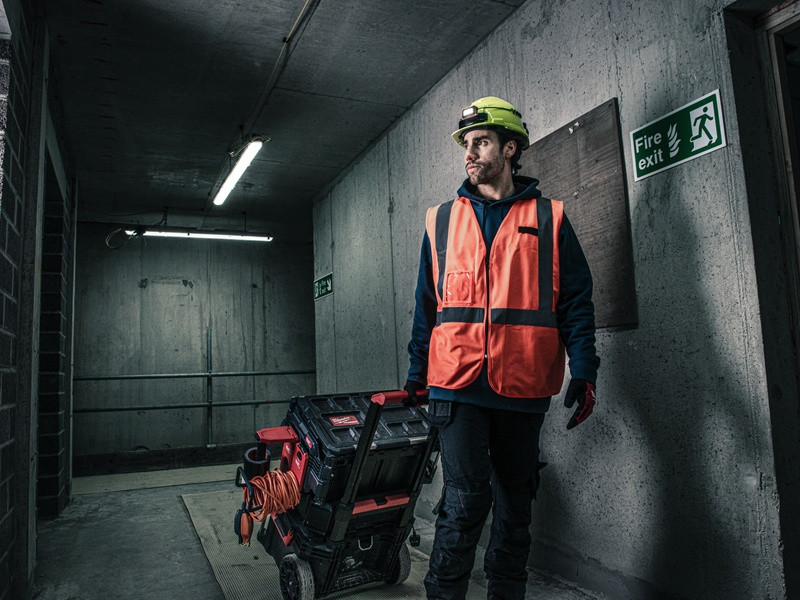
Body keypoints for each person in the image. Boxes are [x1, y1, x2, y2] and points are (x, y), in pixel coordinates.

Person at [404, 96, 600, 600]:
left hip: (522, 383)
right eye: (466, 144)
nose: (470, 153)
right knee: (465, 502)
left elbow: (575, 300)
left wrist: (584, 368)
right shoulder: (441, 220)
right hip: (456, 384)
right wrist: (416, 373)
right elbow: (427, 305)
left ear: (510, 149)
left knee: (515, 506)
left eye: (481, 142)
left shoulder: (550, 218)